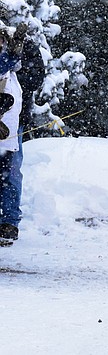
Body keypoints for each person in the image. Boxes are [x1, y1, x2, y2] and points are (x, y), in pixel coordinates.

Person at [0, 26, 38, 245]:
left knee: (9, 175)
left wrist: (16, 55)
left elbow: (34, 75)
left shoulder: (21, 53)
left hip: (11, 126)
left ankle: (8, 223)